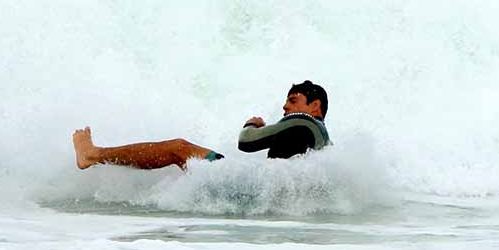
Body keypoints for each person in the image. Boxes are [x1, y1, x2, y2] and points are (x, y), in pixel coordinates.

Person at [72, 80, 329, 170]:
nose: (286, 108)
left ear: (315, 106)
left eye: (293, 100)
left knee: (179, 148)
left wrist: (251, 124)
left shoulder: (305, 124)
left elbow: (246, 141)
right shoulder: (321, 140)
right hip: (262, 195)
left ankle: (94, 155)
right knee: (181, 155)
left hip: (245, 191)